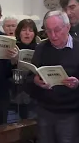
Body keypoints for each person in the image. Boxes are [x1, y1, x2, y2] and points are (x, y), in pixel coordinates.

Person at [25, 10, 79, 143]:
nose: (53, 36)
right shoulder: (42, 48)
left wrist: (77, 83)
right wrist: (36, 81)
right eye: (48, 31)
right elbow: (30, 76)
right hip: (45, 110)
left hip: (70, 112)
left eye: (57, 30)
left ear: (68, 27)